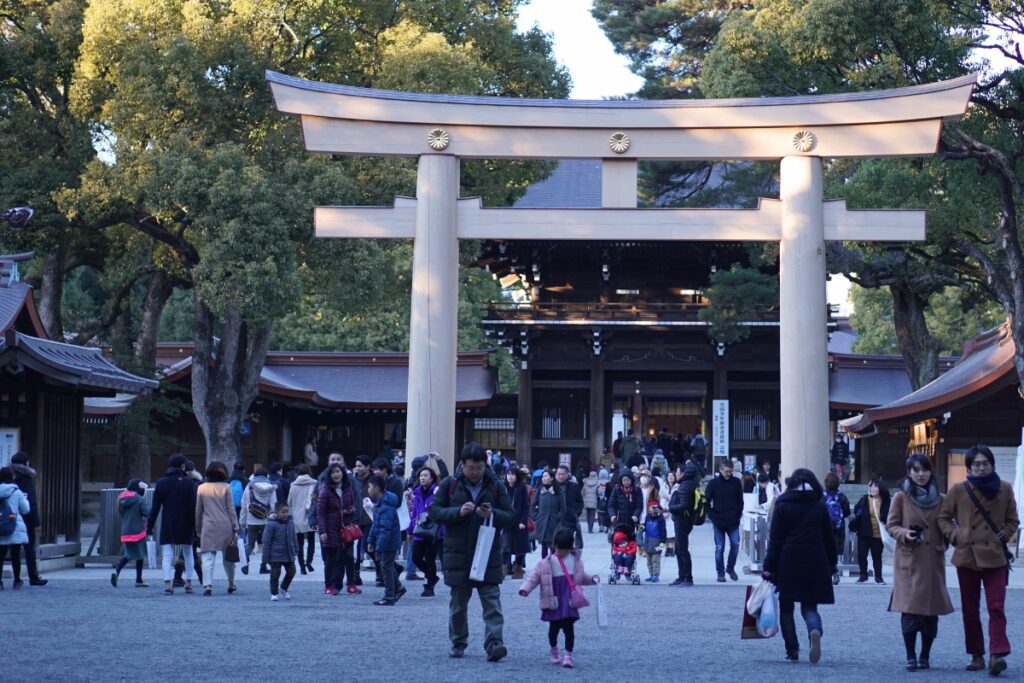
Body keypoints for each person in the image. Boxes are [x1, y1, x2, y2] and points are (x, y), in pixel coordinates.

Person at [937, 444, 1019, 676]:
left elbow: (1013, 519)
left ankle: (997, 654)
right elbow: (943, 517)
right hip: (967, 555)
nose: (981, 468)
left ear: (992, 464)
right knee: (970, 609)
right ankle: (976, 654)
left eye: (985, 463)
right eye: (976, 464)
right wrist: (957, 535)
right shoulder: (958, 490)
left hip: (995, 556)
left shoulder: (1004, 488)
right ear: (969, 468)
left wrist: (1002, 534)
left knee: (996, 606)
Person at [429, 442, 514, 662]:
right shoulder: (450, 484)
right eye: (470, 467)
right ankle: (458, 640)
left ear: (485, 465)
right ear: (462, 465)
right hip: (458, 553)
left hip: (488, 552)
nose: (475, 472)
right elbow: (435, 512)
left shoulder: (496, 486)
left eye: (479, 467)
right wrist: (458, 512)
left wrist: (492, 513)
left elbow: (511, 516)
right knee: (458, 604)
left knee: (492, 602)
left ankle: (494, 642)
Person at [886, 454, 953, 672]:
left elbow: (947, 524)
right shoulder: (901, 498)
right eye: (916, 470)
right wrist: (905, 533)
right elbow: (891, 525)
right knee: (909, 609)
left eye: (924, 470)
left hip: (932, 559)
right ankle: (910, 655)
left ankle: (925, 655)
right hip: (909, 558)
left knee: (930, 611)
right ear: (909, 472)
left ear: (931, 471)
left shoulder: (942, 499)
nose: (921, 474)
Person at [763, 468, 836, 664]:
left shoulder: (783, 504)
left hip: (788, 560)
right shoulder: (818, 505)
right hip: (815, 560)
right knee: (809, 606)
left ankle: (792, 650)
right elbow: (829, 538)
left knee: (786, 607)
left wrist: (769, 565)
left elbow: (775, 539)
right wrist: (833, 564)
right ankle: (814, 630)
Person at [518, 528, 599, 669]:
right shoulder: (545, 563)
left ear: (570, 548)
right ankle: (554, 648)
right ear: (554, 546)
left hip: (569, 601)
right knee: (553, 628)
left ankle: (568, 655)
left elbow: (580, 577)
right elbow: (534, 578)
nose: (561, 552)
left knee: (569, 629)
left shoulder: (575, 561)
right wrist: (525, 588)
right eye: (559, 549)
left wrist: (592, 578)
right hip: (553, 599)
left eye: (564, 550)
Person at [147, 453, 198, 595]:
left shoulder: (162, 482)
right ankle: (188, 582)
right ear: (182, 466)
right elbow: (193, 507)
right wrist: (196, 526)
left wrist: (149, 526)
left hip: (168, 521)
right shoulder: (189, 483)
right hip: (186, 521)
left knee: (167, 553)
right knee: (188, 552)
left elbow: (155, 507)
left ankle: (168, 584)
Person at [195, 461, 239, 596]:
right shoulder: (227, 487)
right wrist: (235, 526)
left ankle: (207, 585)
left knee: (208, 557)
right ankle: (231, 583)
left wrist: (198, 527)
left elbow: (198, 510)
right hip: (225, 525)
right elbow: (231, 508)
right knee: (228, 558)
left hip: (208, 526)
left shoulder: (201, 488)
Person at [317, 463, 360, 595]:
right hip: (331, 528)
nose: (336, 474)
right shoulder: (325, 491)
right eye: (333, 472)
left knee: (349, 556)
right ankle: (328, 585)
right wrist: (323, 531)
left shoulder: (348, 489)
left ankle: (351, 584)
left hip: (346, 528)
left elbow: (352, 505)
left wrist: (351, 512)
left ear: (343, 473)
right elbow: (321, 512)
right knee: (331, 558)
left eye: (338, 471)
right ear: (329, 476)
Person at [367, 474, 405, 606]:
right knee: (387, 565)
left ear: (376, 488)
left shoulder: (386, 507)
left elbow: (385, 530)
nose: (368, 490)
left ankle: (389, 595)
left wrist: (378, 548)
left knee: (386, 567)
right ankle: (398, 588)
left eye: (370, 487)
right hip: (386, 542)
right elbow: (375, 524)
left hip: (389, 542)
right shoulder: (380, 504)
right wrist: (371, 540)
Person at [9, 452, 45, 586]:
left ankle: (17, 578)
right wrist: (36, 522)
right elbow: (31, 502)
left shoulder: (8, 477)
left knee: (14, 549)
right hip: (26, 517)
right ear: (26, 463)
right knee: (29, 548)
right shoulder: (27, 477)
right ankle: (33, 577)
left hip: (10, 517)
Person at [705, 459, 743, 582]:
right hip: (718, 520)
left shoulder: (736, 482)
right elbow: (706, 502)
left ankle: (730, 568)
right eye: (726, 471)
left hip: (733, 521)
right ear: (720, 470)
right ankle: (720, 572)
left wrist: (737, 515)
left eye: (730, 471)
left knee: (735, 544)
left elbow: (740, 502)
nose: (728, 474)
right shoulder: (713, 483)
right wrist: (712, 516)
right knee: (719, 547)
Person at [409, 466, 443, 595]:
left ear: (432, 478)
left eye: (426, 475)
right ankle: (433, 577)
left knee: (430, 559)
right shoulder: (416, 492)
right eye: (421, 476)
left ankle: (429, 586)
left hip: (434, 531)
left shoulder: (438, 491)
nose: (422, 478)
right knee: (416, 558)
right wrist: (410, 530)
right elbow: (414, 512)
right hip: (419, 529)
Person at [111, 479, 149, 588]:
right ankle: (138, 579)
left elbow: (120, 512)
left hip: (126, 530)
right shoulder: (139, 498)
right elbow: (146, 512)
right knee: (139, 555)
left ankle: (118, 572)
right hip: (138, 531)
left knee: (128, 554)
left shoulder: (120, 498)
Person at [239, 468, 277, 576]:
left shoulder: (249, 487)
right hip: (266, 520)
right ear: (266, 476)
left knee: (250, 544)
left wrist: (242, 521)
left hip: (251, 521)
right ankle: (263, 566)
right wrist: (273, 518)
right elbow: (273, 505)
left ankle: (245, 564)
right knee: (266, 544)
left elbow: (244, 504)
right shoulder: (271, 488)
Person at [852, 478, 890, 584]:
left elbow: (889, 515)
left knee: (876, 557)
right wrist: (860, 512)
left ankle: (878, 577)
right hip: (864, 532)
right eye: (871, 486)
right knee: (861, 555)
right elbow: (856, 509)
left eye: (875, 486)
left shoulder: (886, 501)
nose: (872, 488)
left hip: (878, 534)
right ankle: (863, 575)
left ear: (880, 488)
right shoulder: (865, 499)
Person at [669, 462, 700, 586]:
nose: (676, 474)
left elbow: (684, 505)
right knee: (679, 549)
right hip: (685, 520)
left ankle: (687, 578)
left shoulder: (685, 486)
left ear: (683, 473)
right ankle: (681, 576)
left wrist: (670, 508)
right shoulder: (691, 483)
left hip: (682, 520)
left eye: (677, 472)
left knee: (682, 550)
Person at [0, 466, 31, 590]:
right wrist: (25, 499)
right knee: (15, 555)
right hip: (14, 526)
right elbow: (26, 509)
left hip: (0, 526)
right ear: (12, 477)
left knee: (0, 555)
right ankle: (17, 580)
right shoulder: (16, 492)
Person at [262, 502, 298, 601]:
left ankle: (284, 588)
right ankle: (274, 593)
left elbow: (293, 536)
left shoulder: (290, 522)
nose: (285, 514)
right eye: (283, 512)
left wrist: (296, 548)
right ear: (277, 512)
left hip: (288, 553)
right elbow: (267, 540)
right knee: (275, 574)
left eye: (287, 512)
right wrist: (265, 557)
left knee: (292, 571)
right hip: (275, 555)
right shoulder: (271, 524)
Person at [287, 464, 317, 575]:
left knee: (299, 543)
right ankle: (309, 562)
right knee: (311, 540)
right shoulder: (314, 483)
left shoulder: (293, 485)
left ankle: (302, 567)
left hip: (297, 517)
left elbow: (289, 502)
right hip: (311, 515)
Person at [821, 473, 850, 585]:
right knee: (834, 552)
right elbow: (847, 512)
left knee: (824, 551)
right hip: (838, 529)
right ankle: (834, 572)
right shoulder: (841, 496)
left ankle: (826, 574)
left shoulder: (821, 496)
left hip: (824, 528)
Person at [502, 468, 529, 580]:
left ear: (517, 476)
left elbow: (525, 507)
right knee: (505, 547)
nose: (510, 477)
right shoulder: (503, 488)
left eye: (512, 474)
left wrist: (523, 521)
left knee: (520, 547)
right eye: (508, 474)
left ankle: (518, 569)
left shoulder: (521, 488)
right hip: (506, 522)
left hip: (518, 522)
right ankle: (502, 570)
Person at [531, 469, 565, 558]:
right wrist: (535, 517)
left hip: (553, 523)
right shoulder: (539, 491)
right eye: (543, 476)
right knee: (544, 546)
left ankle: (554, 566)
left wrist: (558, 517)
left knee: (553, 546)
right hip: (542, 522)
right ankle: (544, 566)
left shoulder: (558, 492)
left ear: (552, 478)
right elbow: (532, 505)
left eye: (546, 476)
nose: (543, 478)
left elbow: (563, 508)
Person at [555, 465, 583, 548]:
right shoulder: (553, 486)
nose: (561, 476)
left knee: (568, 545)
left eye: (563, 474)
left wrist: (576, 513)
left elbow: (580, 502)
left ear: (567, 474)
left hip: (570, 520)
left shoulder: (574, 486)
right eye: (559, 474)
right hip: (555, 520)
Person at [642, 502, 667, 582]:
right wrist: (641, 527)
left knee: (655, 560)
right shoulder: (648, 517)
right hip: (648, 541)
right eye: (651, 508)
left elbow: (663, 531)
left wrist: (662, 544)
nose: (652, 510)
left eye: (654, 508)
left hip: (657, 541)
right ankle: (651, 574)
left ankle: (656, 575)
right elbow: (645, 526)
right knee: (649, 561)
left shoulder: (660, 518)